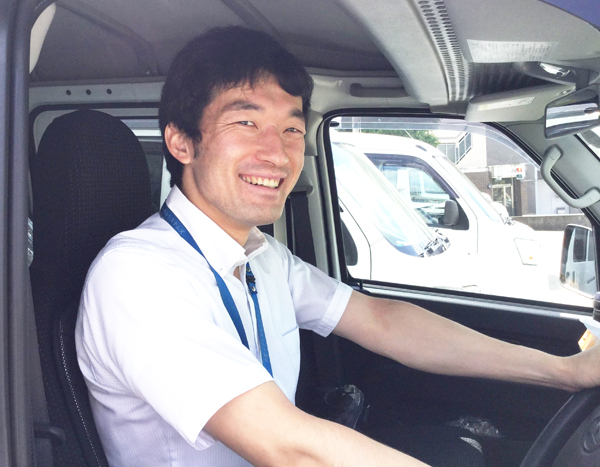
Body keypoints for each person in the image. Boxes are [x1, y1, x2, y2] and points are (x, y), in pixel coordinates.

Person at [76, 26, 600, 467]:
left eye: (291, 128)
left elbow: (383, 321)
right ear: (181, 142)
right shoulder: (137, 274)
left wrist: (562, 371)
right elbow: (289, 447)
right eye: (246, 122)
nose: (277, 153)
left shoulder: (261, 255)